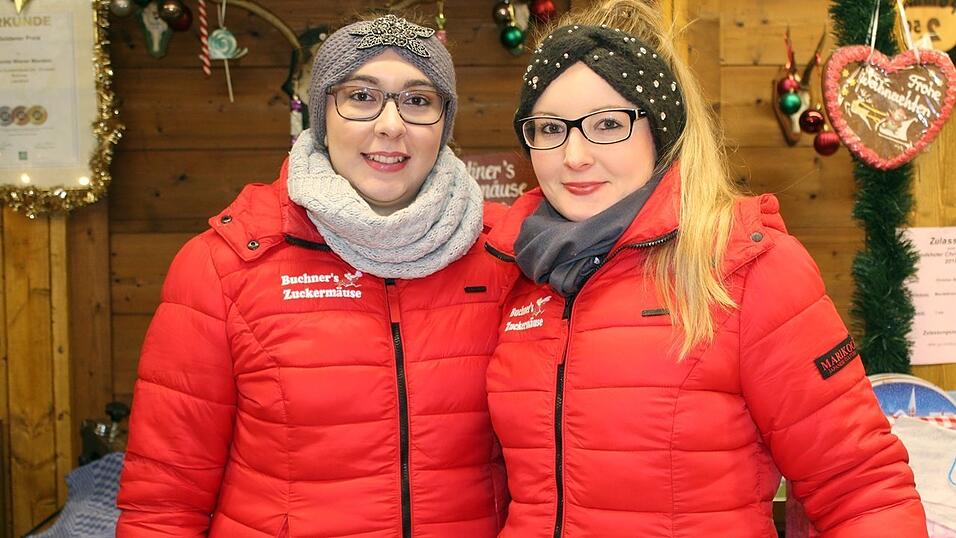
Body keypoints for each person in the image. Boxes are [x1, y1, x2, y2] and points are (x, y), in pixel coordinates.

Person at [483, 1, 929, 536]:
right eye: (550, 127)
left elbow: (862, 488)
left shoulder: (746, 267)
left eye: (607, 124)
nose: (573, 155)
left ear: (661, 133)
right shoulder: (516, 272)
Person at [116, 13, 514, 537]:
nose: (390, 125)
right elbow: (162, 500)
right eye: (362, 96)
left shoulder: (507, 254)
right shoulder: (225, 265)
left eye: (418, 100)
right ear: (322, 115)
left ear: (445, 123)